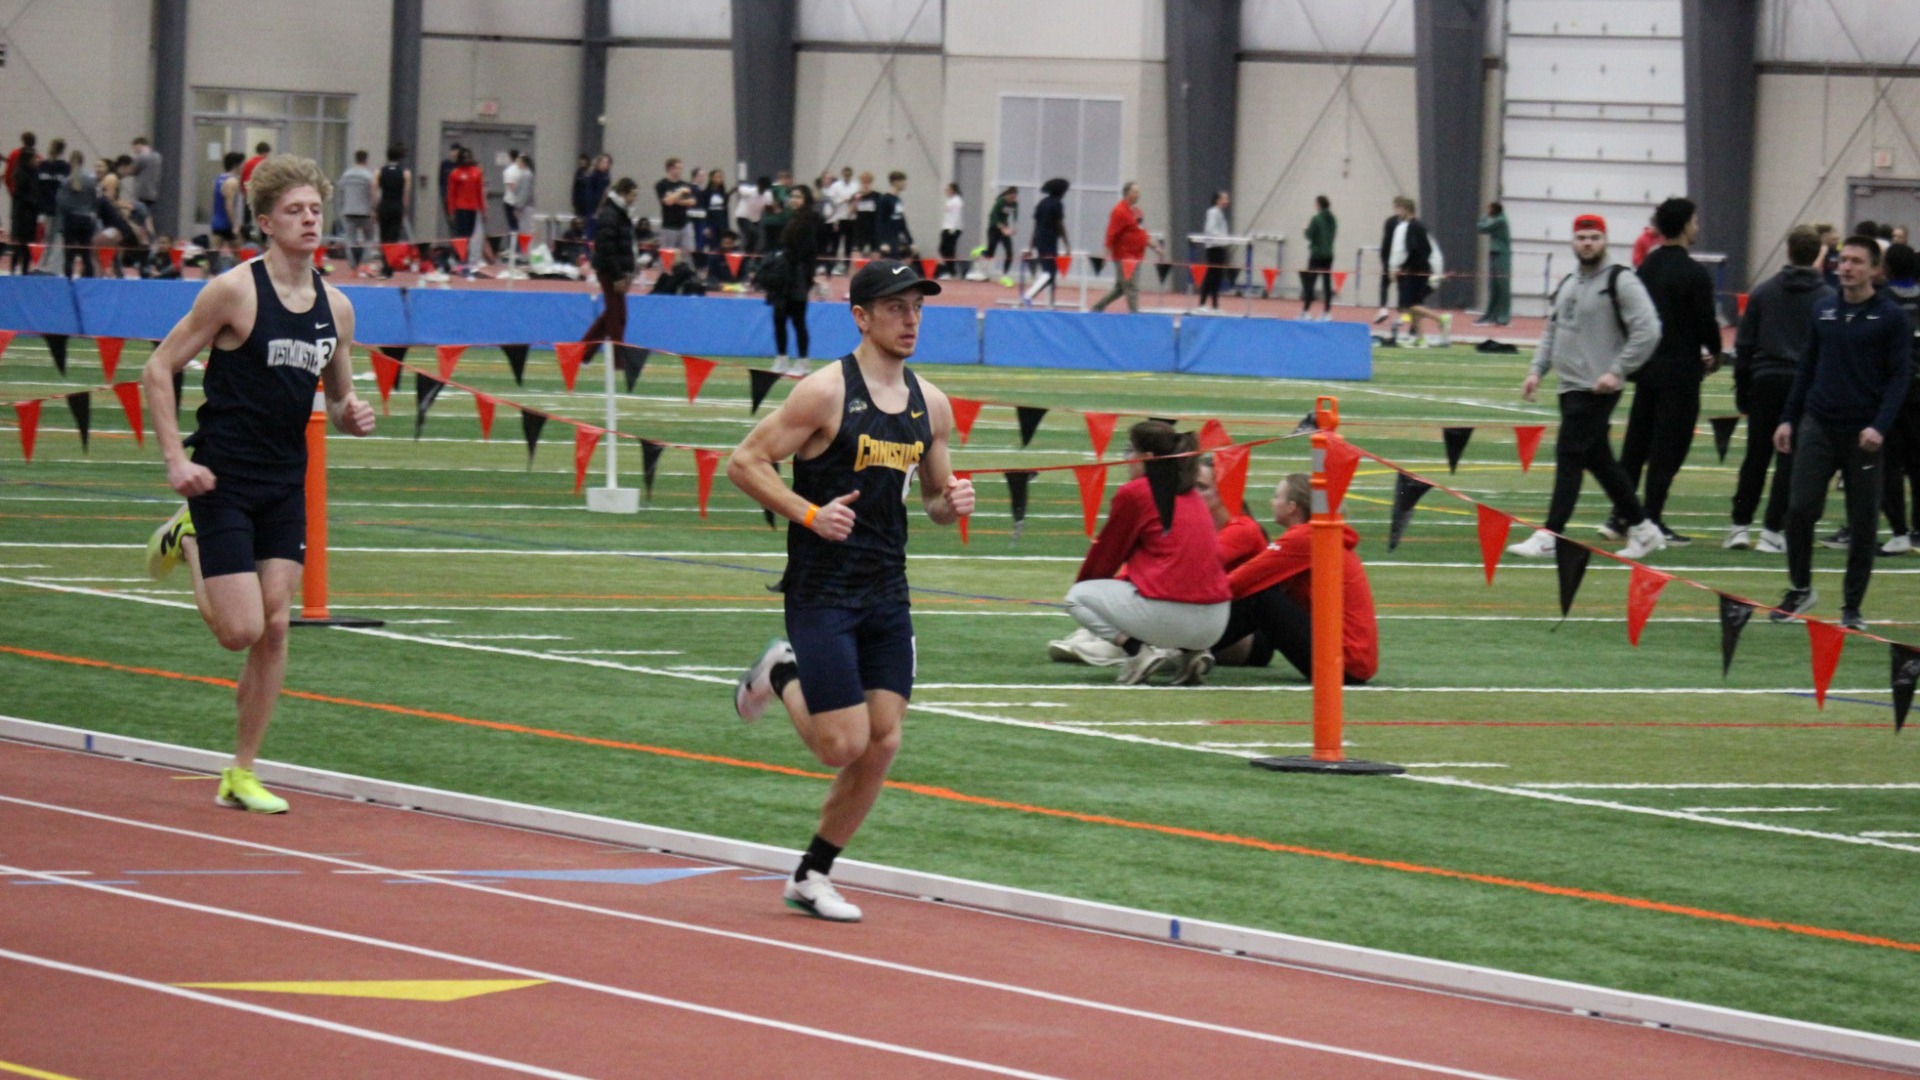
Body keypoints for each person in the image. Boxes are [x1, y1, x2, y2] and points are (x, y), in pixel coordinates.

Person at [726, 259, 974, 923]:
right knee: (841, 744)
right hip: (822, 587)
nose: (910, 319)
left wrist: (956, 502)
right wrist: (809, 514)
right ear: (861, 316)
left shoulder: (933, 404)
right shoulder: (825, 393)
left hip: (886, 590)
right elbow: (744, 462)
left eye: (917, 306)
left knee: (883, 742)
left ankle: (812, 874)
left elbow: (934, 502)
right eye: (895, 307)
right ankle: (782, 670)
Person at [139, 154, 376, 815]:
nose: (309, 220)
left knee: (276, 627)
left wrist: (355, 415)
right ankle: (186, 537)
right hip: (221, 477)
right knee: (239, 631)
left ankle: (241, 771)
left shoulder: (338, 308)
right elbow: (158, 371)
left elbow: (338, 397)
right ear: (267, 222)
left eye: (315, 210)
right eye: (295, 211)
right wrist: (173, 462)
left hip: (284, 482)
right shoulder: (233, 292)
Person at [1507, 212, 1667, 561]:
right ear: (1573, 241)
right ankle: (1642, 529)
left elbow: (1649, 328)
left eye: (1594, 237)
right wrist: (1536, 371)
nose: (1588, 243)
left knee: (1568, 455)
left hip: (1596, 388)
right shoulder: (1568, 282)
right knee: (1599, 460)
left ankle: (1551, 533)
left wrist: (1618, 370)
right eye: (1582, 238)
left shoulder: (1621, 280)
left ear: (1605, 240)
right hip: (1569, 386)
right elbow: (1553, 329)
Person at [1771, 236, 1912, 630]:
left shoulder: (1890, 317)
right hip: (1819, 422)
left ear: (1874, 269)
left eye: (1855, 261)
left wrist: (1880, 426)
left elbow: (1900, 377)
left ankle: (1852, 606)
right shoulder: (1824, 310)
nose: (1846, 267)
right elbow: (1807, 367)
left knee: (1863, 521)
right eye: (1842, 259)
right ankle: (1800, 588)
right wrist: (1788, 418)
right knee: (1799, 508)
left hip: (1863, 432)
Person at [1052, 453, 1266, 667]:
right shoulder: (1197, 525)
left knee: (1157, 608)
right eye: (1192, 487)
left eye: (1202, 487)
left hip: (1239, 633)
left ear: (1226, 494)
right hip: (1201, 615)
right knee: (1141, 604)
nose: (1193, 494)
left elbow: (1192, 567)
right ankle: (1107, 640)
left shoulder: (1243, 528)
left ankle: (1125, 648)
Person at [1064, 421, 1231, 684]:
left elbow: (1108, 553)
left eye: (1130, 451)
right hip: (1217, 621)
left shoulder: (1136, 491)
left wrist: (1090, 586)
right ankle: (1193, 654)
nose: (1126, 459)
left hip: (1169, 615)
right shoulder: (1194, 495)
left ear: (1147, 458)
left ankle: (1136, 652)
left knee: (1077, 597)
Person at [1612, 197, 1724, 545]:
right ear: (1685, 225)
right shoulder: (1694, 274)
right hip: (1681, 372)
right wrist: (1716, 352)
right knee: (1669, 448)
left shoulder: (1645, 268)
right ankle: (1652, 520)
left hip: (1647, 369)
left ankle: (1620, 516)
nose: (1698, 226)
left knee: (1636, 444)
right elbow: (1706, 323)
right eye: (1695, 220)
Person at [1212, 474, 1380, 684]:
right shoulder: (1316, 536)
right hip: (1353, 660)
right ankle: (1189, 648)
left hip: (1345, 662)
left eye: (1276, 496)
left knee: (1260, 598)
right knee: (1265, 595)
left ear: (1292, 507)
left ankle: (1183, 648)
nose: (1271, 502)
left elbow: (1241, 580)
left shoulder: (1305, 538)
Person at [1727, 225, 1832, 553]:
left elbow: (1744, 346)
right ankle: (1773, 530)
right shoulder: (1828, 298)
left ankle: (1739, 526)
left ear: (1788, 250)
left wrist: (1742, 389)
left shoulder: (1763, 292)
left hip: (1765, 379)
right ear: (1818, 254)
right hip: (1804, 384)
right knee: (1791, 459)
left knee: (1755, 456)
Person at [1876, 242, 1920, 555]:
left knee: (1889, 466)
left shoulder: (1880, 303)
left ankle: (1899, 531)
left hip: (1890, 395)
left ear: (1886, 268)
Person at [764, 185, 823, 375]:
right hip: (784, 274)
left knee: (798, 320)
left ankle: (803, 362)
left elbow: (808, 251)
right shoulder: (789, 219)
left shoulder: (809, 221)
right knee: (779, 318)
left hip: (797, 275)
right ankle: (781, 359)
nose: (794, 200)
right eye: (792, 196)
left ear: (806, 199)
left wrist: (805, 276)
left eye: (798, 196)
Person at [581, 177, 639, 349]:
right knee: (616, 319)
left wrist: (629, 272)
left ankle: (581, 352)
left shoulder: (621, 214)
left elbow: (626, 246)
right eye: (633, 195)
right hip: (609, 272)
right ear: (623, 193)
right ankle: (618, 362)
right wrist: (618, 276)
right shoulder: (610, 214)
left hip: (617, 271)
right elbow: (607, 248)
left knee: (614, 316)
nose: (635, 199)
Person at [1387, 196, 1450, 346]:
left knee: (1408, 305)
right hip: (1422, 269)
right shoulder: (1421, 226)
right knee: (1414, 304)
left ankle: (1440, 319)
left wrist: (1395, 268)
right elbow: (1428, 249)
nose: (1396, 212)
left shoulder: (1406, 227)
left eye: (1397, 208)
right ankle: (1421, 338)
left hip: (1414, 270)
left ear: (1404, 209)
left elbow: (1400, 250)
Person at [1090, 182, 1157, 314]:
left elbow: (1141, 233)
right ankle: (1134, 315)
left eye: (1139, 192)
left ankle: (1097, 308)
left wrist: (1155, 247)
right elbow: (1111, 234)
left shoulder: (1137, 212)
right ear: (1128, 194)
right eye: (1136, 192)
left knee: (1120, 288)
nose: (1139, 195)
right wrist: (1105, 255)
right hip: (1124, 257)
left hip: (1136, 255)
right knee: (1132, 288)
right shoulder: (1119, 211)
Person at [1022, 178, 1071, 306]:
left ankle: (1050, 302)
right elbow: (1060, 225)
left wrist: (1030, 246)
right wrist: (1067, 244)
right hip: (1049, 242)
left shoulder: (1041, 203)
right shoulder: (1057, 204)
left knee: (1048, 272)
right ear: (1061, 192)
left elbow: (1036, 227)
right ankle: (1031, 294)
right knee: (1050, 274)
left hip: (1040, 241)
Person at [445, 147, 487, 271]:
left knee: (469, 235)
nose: (467, 160)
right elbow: (451, 194)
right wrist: (451, 211)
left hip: (472, 208)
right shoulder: (455, 173)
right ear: (460, 159)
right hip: (460, 208)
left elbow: (480, 192)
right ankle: (455, 258)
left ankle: (465, 258)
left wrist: (483, 210)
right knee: (460, 235)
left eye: (469, 157)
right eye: (465, 158)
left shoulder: (477, 172)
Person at [57, 149, 97, 279]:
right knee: (86, 255)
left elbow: (61, 203)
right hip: (86, 220)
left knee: (69, 255)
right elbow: (95, 201)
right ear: (83, 162)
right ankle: (89, 282)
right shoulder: (91, 182)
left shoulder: (66, 182)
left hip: (71, 219)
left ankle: (68, 281)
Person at [336, 150, 376, 270]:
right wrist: (373, 209)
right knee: (369, 238)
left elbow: (340, 192)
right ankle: (364, 263)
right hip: (365, 212)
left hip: (349, 211)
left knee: (350, 239)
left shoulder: (346, 175)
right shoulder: (369, 176)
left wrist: (342, 207)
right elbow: (373, 194)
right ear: (366, 160)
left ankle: (353, 265)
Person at [969, 186, 1017, 284]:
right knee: (990, 254)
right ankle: (979, 251)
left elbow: (1015, 216)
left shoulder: (1015, 204)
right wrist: (1002, 228)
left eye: (1014, 198)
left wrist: (1013, 228)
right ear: (1007, 195)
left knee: (1009, 253)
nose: (1012, 200)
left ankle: (1005, 275)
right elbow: (993, 217)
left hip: (1004, 229)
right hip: (994, 229)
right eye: (1011, 197)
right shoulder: (1000, 202)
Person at [1300, 195, 1336, 319]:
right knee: (1327, 284)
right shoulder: (1333, 219)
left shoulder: (1316, 219)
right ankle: (1327, 312)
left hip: (1316, 255)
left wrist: (1305, 229)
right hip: (1329, 254)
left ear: (1319, 204)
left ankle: (1306, 311)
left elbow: (1309, 235)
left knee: (1310, 283)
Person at [35, 138, 69, 269]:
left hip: (56, 207)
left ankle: (50, 265)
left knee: (53, 236)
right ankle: (44, 263)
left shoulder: (65, 167)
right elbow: (38, 186)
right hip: (46, 207)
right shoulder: (43, 165)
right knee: (47, 236)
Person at [1476, 201, 1511, 326]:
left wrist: (1485, 215)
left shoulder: (1500, 221)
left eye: (1489, 208)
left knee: (1503, 287)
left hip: (1502, 255)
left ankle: (1503, 317)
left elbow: (1481, 227)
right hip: (1495, 254)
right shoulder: (1497, 219)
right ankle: (1492, 315)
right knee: (1494, 287)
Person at [1196, 190, 1233, 311]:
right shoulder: (1212, 212)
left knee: (1218, 276)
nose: (1227, 201)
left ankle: (1215, 304)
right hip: (1213, 247)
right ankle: (1202, 303)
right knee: (1211, 275)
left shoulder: (1221, 214)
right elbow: (1210, 229)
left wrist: (1226, 240)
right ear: (1218, 200)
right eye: (1224, 198)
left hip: (1220, 246)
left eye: (1227, 199)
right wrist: (1222, 237)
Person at [4, 140, 37, 274]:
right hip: (22, 215)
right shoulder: (21, 174)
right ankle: (14, 269)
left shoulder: (33, 173)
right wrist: (35, 202)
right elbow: (20, 195)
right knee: (20, 245)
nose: (37, 160)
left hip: (29, 214)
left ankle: (24, 270)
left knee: (26, 246)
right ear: (28, 159)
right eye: (34, 158)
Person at [208, 151, 245, 263]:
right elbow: (229, 205)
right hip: (226, 223)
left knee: (213, 255)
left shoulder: (217, 179)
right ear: (236, 165)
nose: (243, 167)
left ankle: (205, 276)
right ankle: (243, 277)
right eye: (242, 164)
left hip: (217, 221)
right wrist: (235, 224)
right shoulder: (232, 182)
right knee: (240, 255)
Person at [375, 144, 410, 257]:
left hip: (384, 205)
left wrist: (374, 208)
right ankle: (388, 264)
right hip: (397, 206)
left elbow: (374, 190)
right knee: (393, 237)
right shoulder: (405, 173)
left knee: (383, 236)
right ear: (401, 158)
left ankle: (385, 260)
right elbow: (406, 193)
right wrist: (404, 210)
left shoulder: (379, 171)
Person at [656, 157, 697, 254]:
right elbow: (667, 202)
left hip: (684, 224)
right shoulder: (661, 185)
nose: (680, 171)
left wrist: (675, 199)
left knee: (687, 253)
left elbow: (692, 202)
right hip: (669, 226)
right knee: (668, 255)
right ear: (670, 169)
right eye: (678, 168)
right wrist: (680, 191)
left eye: (681, 168)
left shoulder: (685, 184)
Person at [874, 171, 913, 258]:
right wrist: (882, 242)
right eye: (903, 181)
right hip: (888, 239)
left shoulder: (898, 200)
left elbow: (902, 222)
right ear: (895, 182)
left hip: (896, 238)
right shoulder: (884, 199)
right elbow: (880, 222)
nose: (905, 184)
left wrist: (910, 241)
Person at [1373, 199, 1400, 324]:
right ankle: (1402, 314)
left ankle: (1383, 309)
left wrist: (1384, 260)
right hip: (1403, 261)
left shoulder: (1391, 222)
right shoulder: (1410, 223)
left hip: (1391, 259)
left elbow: (1387, 242)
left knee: (1384, 285)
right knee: (1403, 288)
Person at [129, 136, 162, 220]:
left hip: (142, 191)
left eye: (134, 148)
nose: (134, 151)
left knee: (137, 218)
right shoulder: (157, 157)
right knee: (147, 216)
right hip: (152, 192)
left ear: (139, 145)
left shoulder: (142, 157)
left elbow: (132, 170)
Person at [581, 154, 611, 241]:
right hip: (594, 208)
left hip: (603, 208)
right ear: (598, 163)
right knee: (591, 233)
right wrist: (594, 208)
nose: (606, 165)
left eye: (607, 163)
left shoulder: (606, 176)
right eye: (604, 162)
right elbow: (590, 194)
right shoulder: (593, 176)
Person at [699, 169, 729, 254]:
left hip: (721, 222)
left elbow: (725, 211)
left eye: (720, 177)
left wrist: (726, 226)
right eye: (717, 177)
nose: (719, 179)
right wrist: (706, 226)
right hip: (711, 221)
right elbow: (704, 210)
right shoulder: (706, 193)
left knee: (722, 244)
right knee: (713, 244)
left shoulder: (723, 193)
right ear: (711, 178)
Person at [735, 174, 767, 254]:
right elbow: (737, 188)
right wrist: (727, 196)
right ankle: (747, 252)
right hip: (743, 217)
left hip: (755, 219)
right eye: (761, 188)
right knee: (752, 233)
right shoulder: (749, 191)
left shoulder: (766, 195)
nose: (762, 191)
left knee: (756, 237)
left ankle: (750, 252)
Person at [938, 182, 963, 278]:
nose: (946, 191)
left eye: (948, 189)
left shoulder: (957, 201)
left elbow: (956, 215)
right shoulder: (949, 200)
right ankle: (950, 270)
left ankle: (952, 272)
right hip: (946, 227)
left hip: (953, 228)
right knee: (943, 249)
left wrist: (952, 228)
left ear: (953, 190)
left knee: (949, 250)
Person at [501, 150, 528, 236]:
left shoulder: (508, 171)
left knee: (513, 227)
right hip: (522, 202)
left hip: (510, 201)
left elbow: (511, 187)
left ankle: (514, 245)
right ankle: (521, 246)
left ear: (510, 157)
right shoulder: (524, 170)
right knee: (523, 227)